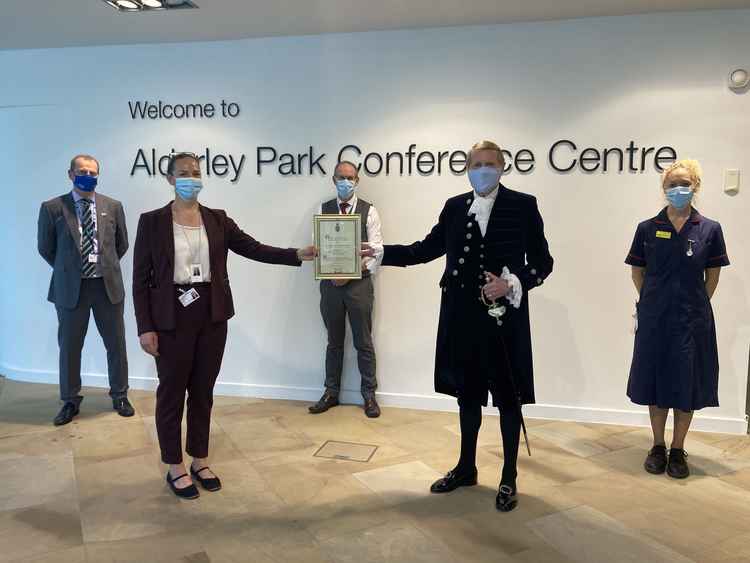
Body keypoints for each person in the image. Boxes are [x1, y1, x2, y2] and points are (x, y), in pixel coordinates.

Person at [366, 140, 553, 512]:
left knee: (507, 399)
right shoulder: (454, 207)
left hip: (505, 320)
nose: (483, 169)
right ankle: (466, 467)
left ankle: (509, 477)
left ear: (503, 166)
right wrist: (383, 253)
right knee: (467, 395)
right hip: (462, 317)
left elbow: (543, 262)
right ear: (467, 168)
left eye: (490, 163)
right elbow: (425, 249)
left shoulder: (523, 205)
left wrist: (511, 282)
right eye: (476, 164)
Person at [133, 152, 316, 499]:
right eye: (183, 173)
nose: (191, 178)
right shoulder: (152, 222)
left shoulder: (217, 219)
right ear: (170, 179)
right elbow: (140, 279)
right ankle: (175, 466)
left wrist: (295, 254)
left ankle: (199, 459)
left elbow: (254, 248)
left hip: (212, 314)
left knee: (202, 391)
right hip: (171, 317)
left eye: (196, 172)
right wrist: (145, 326)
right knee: (172, 393)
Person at [625, 159, 729, 479]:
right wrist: (652, 303)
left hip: (692, 320)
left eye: (684, 183)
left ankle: (677, 449)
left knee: (687, 381)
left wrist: (695, 305)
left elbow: (712, 276)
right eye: (672, 184)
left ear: (695, 186)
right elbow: (637, 271)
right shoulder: (647, 228)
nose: (678, 189)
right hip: (655, 318)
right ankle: (657, 446)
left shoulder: (709, 229)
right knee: (655, 380)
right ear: (664, 189)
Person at [37, 154, 134, 426]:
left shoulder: (113, 206)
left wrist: (102, 264)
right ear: (70, 174)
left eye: (92, 172)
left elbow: (121, 244)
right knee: (69, 347)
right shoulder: (53, 208)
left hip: (106, 287)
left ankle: (120, 395)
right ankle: (69, 400)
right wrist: (71, 268)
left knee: (116, 344)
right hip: (71, 289)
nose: (87, 176)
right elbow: (46, 248)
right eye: (82, 171)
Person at [309, 161, 384, 418]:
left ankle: (369, 395)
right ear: (333, 179)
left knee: (363, 341)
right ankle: (331, 392)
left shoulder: (369, 211)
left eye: (350, 177)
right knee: (334, 342)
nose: (346, 181)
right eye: (341, 177)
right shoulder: (322, 209)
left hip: (359, 285)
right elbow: (317, 247)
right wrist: (334, 274)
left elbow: (376, 250)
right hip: (330, 286)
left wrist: (350, 272)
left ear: (357, 180)